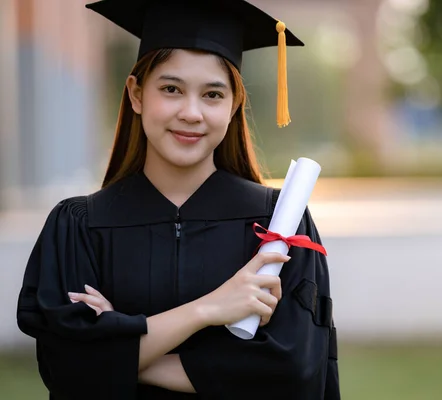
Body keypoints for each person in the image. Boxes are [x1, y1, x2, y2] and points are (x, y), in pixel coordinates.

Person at [15, 0, 340, 399]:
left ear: (234, 105)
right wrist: (208, 309)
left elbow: (292, 372)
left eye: (213, 95)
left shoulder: (279, 226)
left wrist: (119, 351)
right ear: (136, 94)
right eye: (171, 89)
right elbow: (65, 368)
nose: (191, 112)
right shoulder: (79, 226)